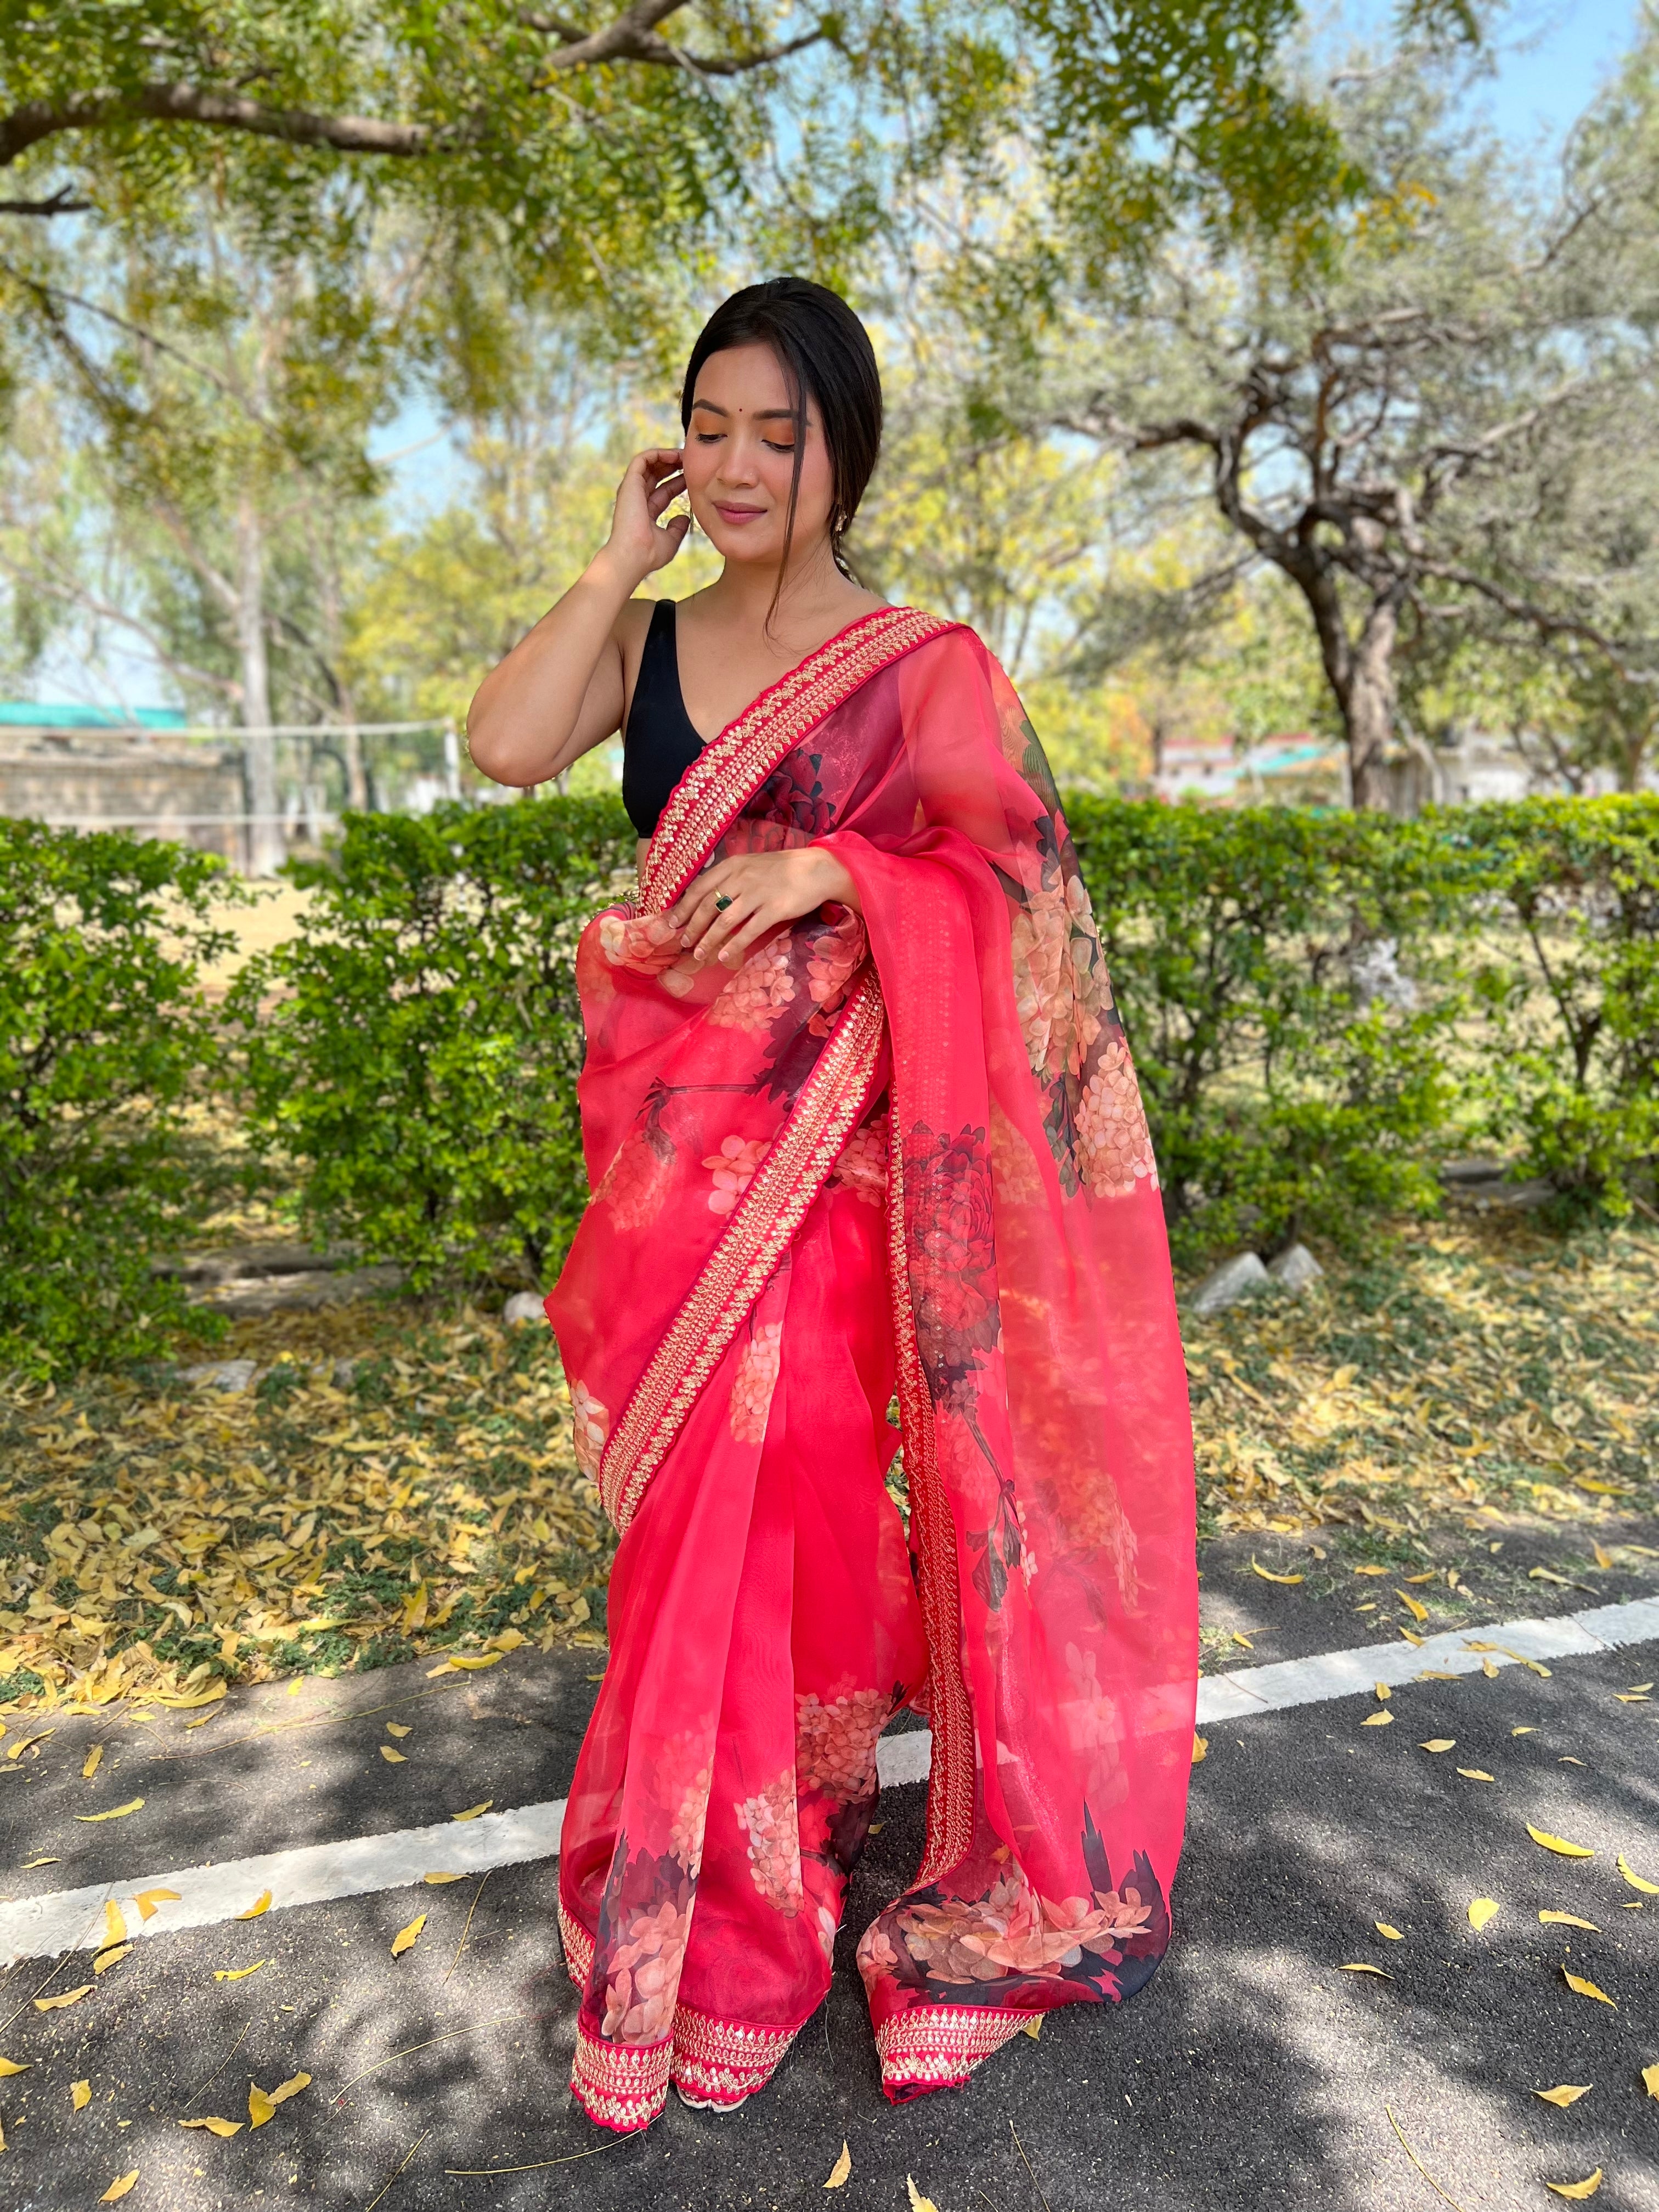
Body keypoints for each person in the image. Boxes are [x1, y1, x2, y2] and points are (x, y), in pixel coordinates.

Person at [465, 277, 1197, 2135]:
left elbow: (1016, 887)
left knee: (778, 1488)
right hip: (664, 1160)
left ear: (841, 449)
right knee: (681, 1527)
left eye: (772, 434)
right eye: (704, 429)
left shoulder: (917, 662)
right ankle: (716, 1855)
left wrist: (831, 872)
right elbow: (504, 743)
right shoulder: (653, 633)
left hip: (838, 1156)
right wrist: (616, 567)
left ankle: (752, 1897)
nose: (731, 465)